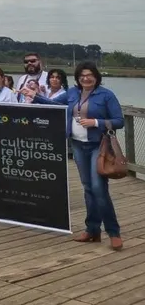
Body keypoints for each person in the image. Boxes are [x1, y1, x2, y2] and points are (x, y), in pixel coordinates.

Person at [24, 61, 124, 250]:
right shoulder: (72, 93)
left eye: (89, 75)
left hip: (98, 146)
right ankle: (92, 230)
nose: (86, 78)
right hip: (78, 145)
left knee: (98, 188)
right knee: (88, 188)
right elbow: (54, 104)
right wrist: (35, 96)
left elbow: (119, 121)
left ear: (96, 76)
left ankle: (113, 232)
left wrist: (95, 122)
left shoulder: (106, 95)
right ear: (77, 78)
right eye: (82, 75)